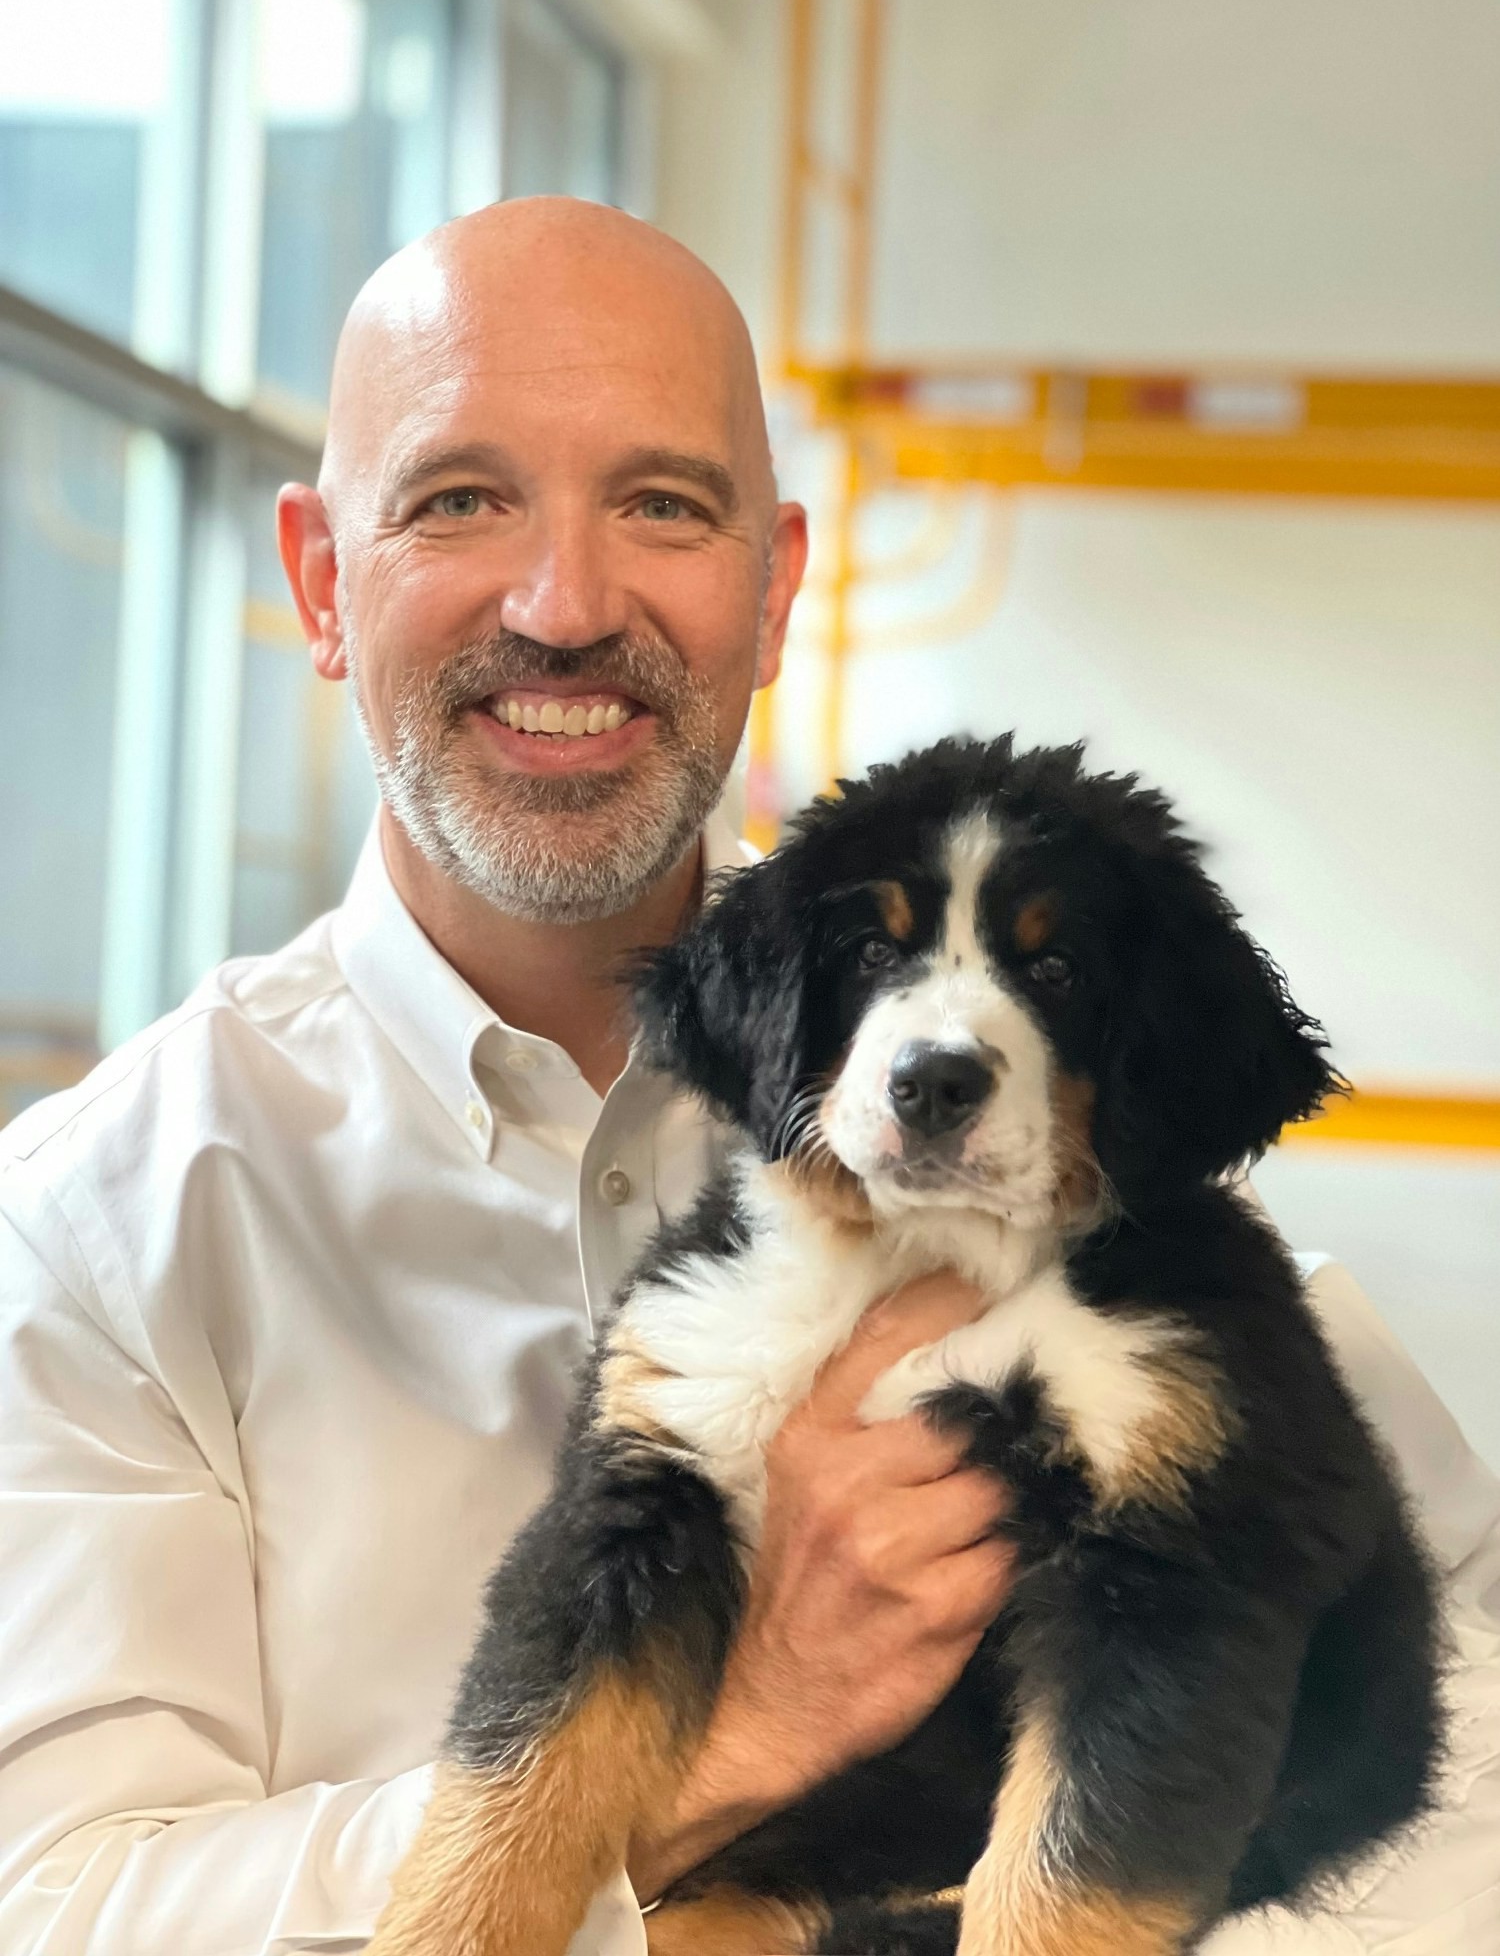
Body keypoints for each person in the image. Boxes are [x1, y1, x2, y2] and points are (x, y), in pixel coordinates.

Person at [0, 199, 1494, 1956]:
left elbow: (1433, 1743)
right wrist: (743, 1735)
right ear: (325, 583)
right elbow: (60, 1903)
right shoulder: (88, 1231)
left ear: (774, 588)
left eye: (662, 505)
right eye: (460, 499)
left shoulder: (1053, 1128)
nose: (564, 605)